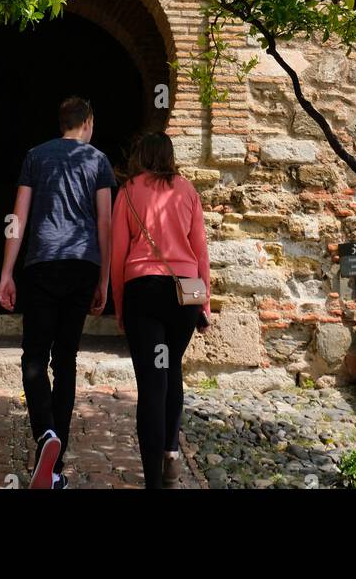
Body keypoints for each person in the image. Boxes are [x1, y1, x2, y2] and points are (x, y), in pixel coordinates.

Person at [0, 95, 116, 490]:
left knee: (34, 355)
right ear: (87, 122)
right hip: (82, 264)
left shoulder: (36, 156)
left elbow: (17, 217)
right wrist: (104, 278)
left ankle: (45, 433)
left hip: (42, 262)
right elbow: (105, 221)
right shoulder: (97, 161)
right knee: (65, 359)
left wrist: (6, 271)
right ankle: (53, 467)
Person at [111, 130, 211, 490]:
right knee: (171, 369)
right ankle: (170, 454)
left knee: (153, 383)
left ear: (142, 155)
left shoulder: (128, 192)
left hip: (144, 294)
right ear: (168, 157)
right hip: (183, 296)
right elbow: (200, 251)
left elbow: (118, 257)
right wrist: (206, 304)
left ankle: (153, 480)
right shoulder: (187, 190)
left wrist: (120, 308)